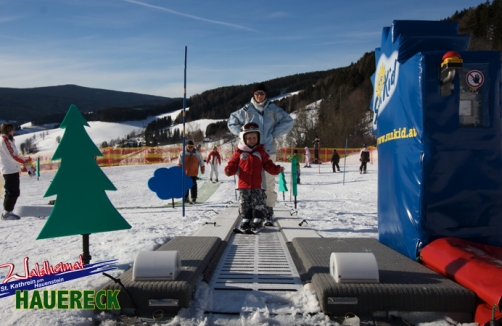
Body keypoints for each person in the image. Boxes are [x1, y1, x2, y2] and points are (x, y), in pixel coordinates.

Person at [227, 83, 294, 226]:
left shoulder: (273, 109)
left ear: (266, 95)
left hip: (268, 149)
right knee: (249, 183)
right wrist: (242, 134)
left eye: (262, 93)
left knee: (269, 183)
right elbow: (231, 121)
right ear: (253, 95)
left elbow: (289, 120)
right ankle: (249, 212)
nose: (259, 96)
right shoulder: (246, 110)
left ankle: (268, 212)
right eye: (257, 93)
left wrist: (273, 133)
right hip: (249, 152)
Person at [224, 122, 284, 232]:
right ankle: (246, 218)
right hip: (243, 185)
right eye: (249, 138)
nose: (252, 140)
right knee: (244, 202)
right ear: (243, 139)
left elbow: (268, 164)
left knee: (258, 202)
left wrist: (276, 169)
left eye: (254, 138)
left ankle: (258, 219)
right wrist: (229, 170)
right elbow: (232, 164)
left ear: (258, 138)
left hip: (258, 185)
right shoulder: (239, 153)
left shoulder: (261, 152)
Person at [0, 123, 34, 220]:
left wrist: (25, 163)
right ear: (9, 130)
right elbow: (12, 156)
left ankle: (7, 211)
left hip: (11, 168)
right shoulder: (4, 140)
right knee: (12, 191)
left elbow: (14, 155)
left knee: (12, 191)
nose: (13, 131)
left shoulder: (7, 140)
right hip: (9, 169)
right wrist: (25, 163)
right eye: (12, 129)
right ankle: (6, 213)